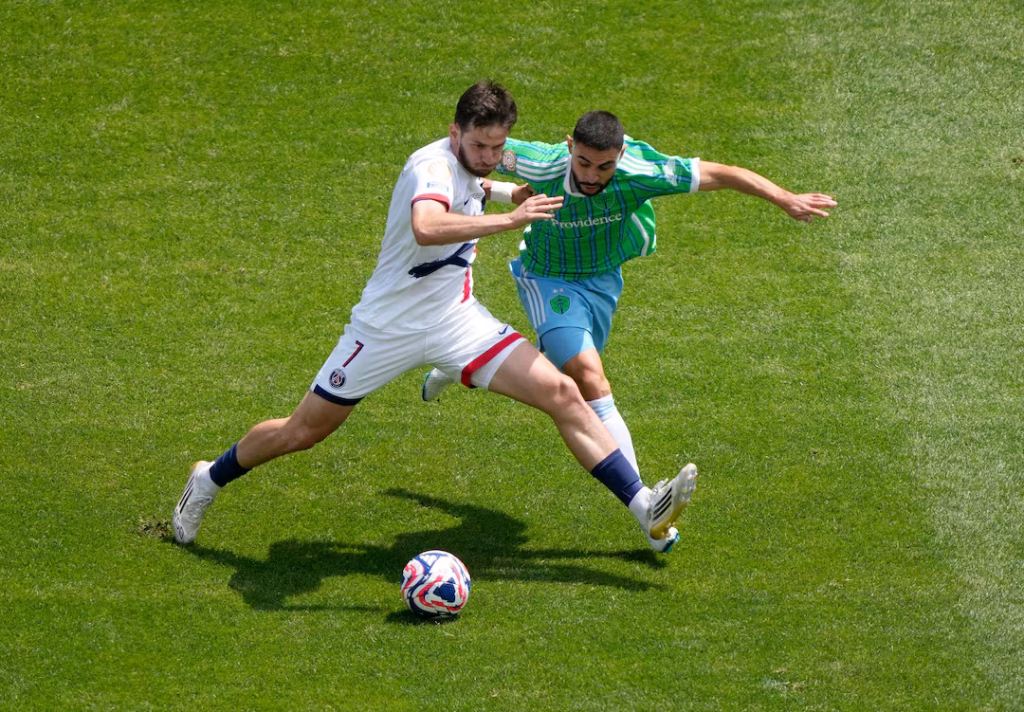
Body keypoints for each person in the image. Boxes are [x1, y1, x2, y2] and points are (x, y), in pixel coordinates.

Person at [174, 84, 697, 554]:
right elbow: (427, 225)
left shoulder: (474, 167)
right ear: (455, 133)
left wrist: (506, 190)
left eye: (498, 147)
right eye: (479, 147)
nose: (490, 157)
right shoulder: (429, 166)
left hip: (456, 321)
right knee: (303, 431)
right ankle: (208, 478)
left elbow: (475, 185)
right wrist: (511, 218)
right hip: (385, 329)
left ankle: (643, 504)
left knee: (562, 393)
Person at [423, 110, 836, 474]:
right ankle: (643, 500)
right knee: (589, 376)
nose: (590, 176)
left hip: (603, 278)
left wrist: (785, 198)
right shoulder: (535, 161)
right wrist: (498, 192)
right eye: (582, 162)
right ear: (569, 147)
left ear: (620, 155)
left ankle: (465, 361)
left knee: (559, 357)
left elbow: (723, 173)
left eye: (603, 167)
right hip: (548, 278)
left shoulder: (642, 172)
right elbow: (472, 155)